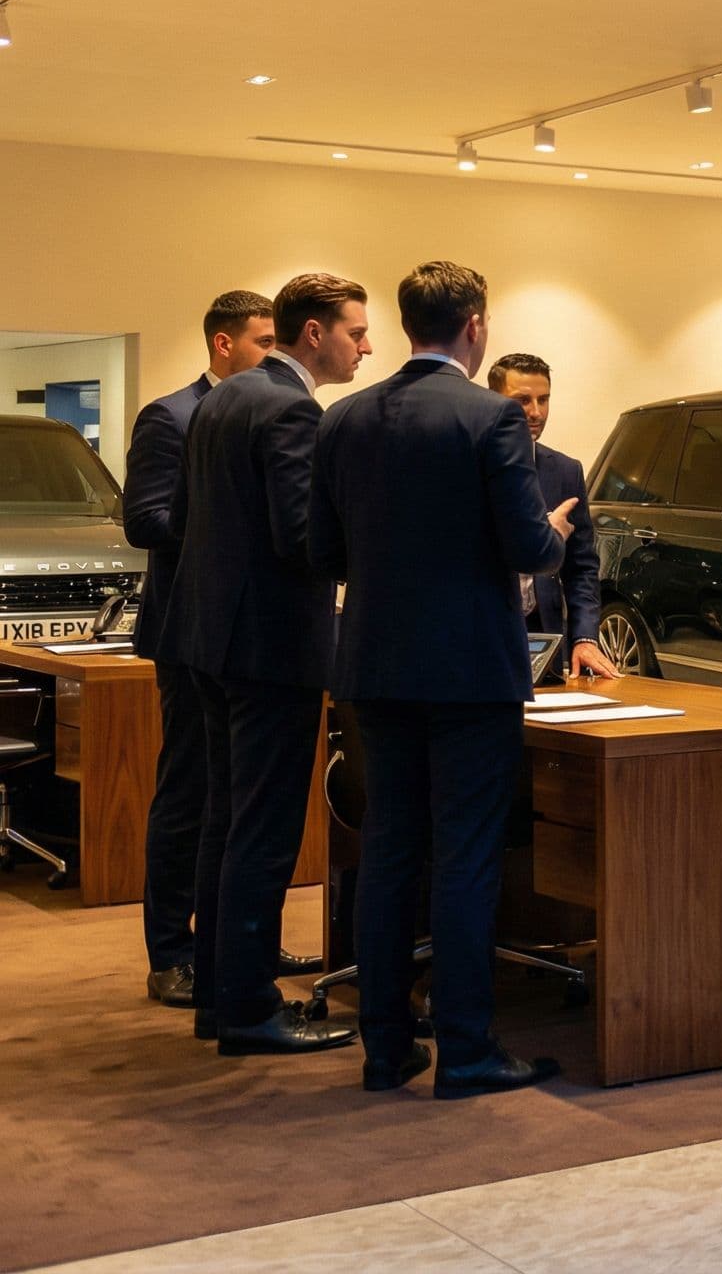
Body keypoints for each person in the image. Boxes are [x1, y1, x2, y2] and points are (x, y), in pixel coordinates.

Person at [311, 263, 575, 1097]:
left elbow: (322, 554)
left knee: (390, 852)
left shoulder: (344, 417)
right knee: (465, 857)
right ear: (476, 326)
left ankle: (386, 1049)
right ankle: (465, 1048)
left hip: (375, 666)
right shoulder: (490, 417)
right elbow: (530, 549)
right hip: (468, 670)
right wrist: (556, 536)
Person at [168, 273, 370, 1055]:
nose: (367, 345)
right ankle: (251, 1009)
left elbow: (188, 522)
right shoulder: (290, 406)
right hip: (270, 647)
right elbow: (299, 535)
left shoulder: (225, 395)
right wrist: (368, 555)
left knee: (227, 823)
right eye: (355, 331)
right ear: (313, 334)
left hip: (211, 639)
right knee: (264, 831)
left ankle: (221, 999)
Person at [123, 290, 280, 1009]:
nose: (273, 355)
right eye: (263, 341)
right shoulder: (172, 415)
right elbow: (147, 521)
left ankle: (238, 941)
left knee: (242, 797)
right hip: (187, 632)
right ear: (224, 345)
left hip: (248, 635)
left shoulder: (269, 412)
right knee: (191, 789)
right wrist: (231, 528)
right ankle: (171, 953)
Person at [487, 353, 616, 682]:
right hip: (486, 636)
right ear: (494, 402)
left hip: (544, 639)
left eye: (543, 400)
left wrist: (585, 638)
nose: (536, 412)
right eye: (522, 400)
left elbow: (582, 567)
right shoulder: (470, 466)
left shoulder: (565, 471)